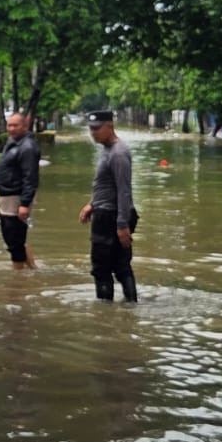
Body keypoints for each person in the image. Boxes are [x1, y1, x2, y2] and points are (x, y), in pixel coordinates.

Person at [78, 109, 138, 301]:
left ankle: (105, 312)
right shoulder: (108, 149)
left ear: (110, 127)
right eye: (91, 129)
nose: (93, 133)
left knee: (102, 268)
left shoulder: (118, 153)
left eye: (97, 128)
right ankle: (129, 307)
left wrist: (122, 224)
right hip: (106, 212)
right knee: (120, 265)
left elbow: (124, 190)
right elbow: (106, 186)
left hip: (111, 217)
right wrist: (92, 204)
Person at [0, 111, 39, 270]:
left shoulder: (27, 147)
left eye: (15, 125)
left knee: (13, 237)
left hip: (16, 197)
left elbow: (30, 177)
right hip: (7, 196)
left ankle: (18, 276)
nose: (11, 129)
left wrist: (25, 203)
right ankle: (31, 269)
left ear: (25, 126)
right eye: (9, 125)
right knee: (15, 237)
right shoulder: (14, 142)